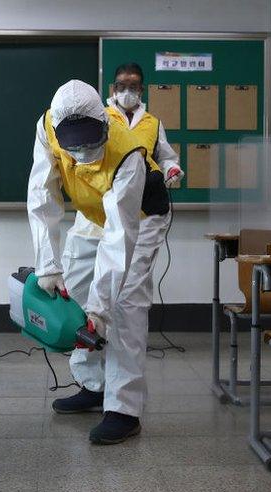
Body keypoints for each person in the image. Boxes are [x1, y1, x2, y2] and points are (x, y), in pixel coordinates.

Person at [27, 79, 171, 444]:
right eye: (75, 144)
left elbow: (120, 238)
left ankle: (123, 409)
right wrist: (47, 265)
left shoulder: (129, 152)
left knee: (123, 307)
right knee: (72, 294)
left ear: (105, 125)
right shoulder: (47, 129)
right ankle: (92, 386)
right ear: (59, 134)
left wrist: (100, 310)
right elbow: (42, 196)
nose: (85, 151)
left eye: (92, 141)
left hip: (139, 217)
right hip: (92, 213)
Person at [105, 62, 184, 187]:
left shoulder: (153, 124)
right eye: (121, 86)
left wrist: (170, 169)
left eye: (133, 87)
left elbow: (164, 158)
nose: (126, 92)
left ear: (141, 90)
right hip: (106, 193)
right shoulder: (102, 118)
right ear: (114, 88)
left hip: (143, 194)